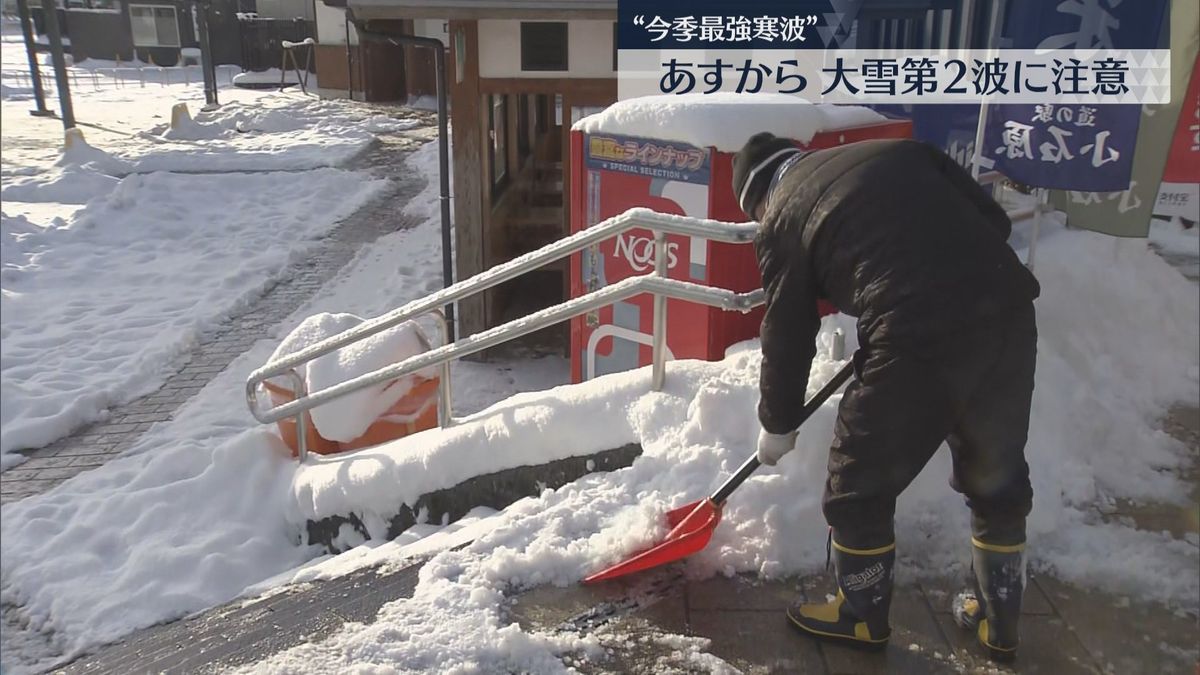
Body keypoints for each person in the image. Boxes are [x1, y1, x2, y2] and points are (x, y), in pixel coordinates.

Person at [731, 132, 1040, 662]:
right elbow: (993, 221)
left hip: (918, 334)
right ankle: (999, 620)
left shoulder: (782, 214)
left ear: (758, 197)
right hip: (1007, 310)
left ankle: (860, 615)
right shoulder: (898, 151)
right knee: (997, 472)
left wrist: (776, 422)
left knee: (858, 480)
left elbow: (787, 333)